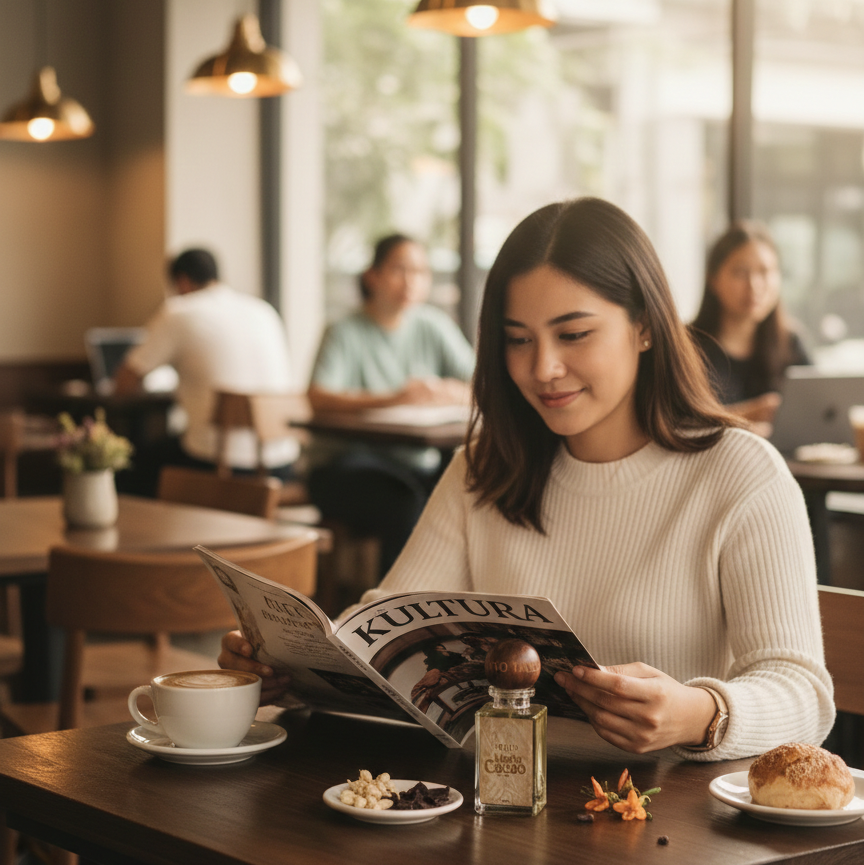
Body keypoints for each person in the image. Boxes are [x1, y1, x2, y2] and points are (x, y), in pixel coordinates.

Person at [220, 198, 834, 761]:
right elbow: (386, 628)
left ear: (645, 326)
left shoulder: (739, 474)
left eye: (573, 334)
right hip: (485, 805)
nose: (543, 368)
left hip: (659, 822)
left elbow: (803, 693)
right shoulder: (485, 467)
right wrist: (289, 666)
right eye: (517, 340)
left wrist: (699, 714)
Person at [305, 233, 475, 576]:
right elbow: (318, 397)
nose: (412, 281)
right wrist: (395, 398)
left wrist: (444, 390)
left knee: (471, 488)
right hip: (342, 465)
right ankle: (390, 613)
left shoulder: (432, 325)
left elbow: (482, 383)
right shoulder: (344, 331)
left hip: (412, 461)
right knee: (405, 502)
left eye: (421, 272)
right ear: (373, 276)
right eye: (400, 269)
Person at [114, 248, 298, 495]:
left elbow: (125, 381)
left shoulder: (179, 311)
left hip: (219, 465)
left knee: (132, 466)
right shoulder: (264, 311)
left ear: (182, 281)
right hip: (282, 465)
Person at [689, 221, 810, 432]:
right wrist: (748, 415)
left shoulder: (790, 341)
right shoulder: (685, 346)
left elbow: (820, 410)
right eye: (740, 272)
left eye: (765, 272)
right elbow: (672, 423)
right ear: (713, 279)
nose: (754, 285)